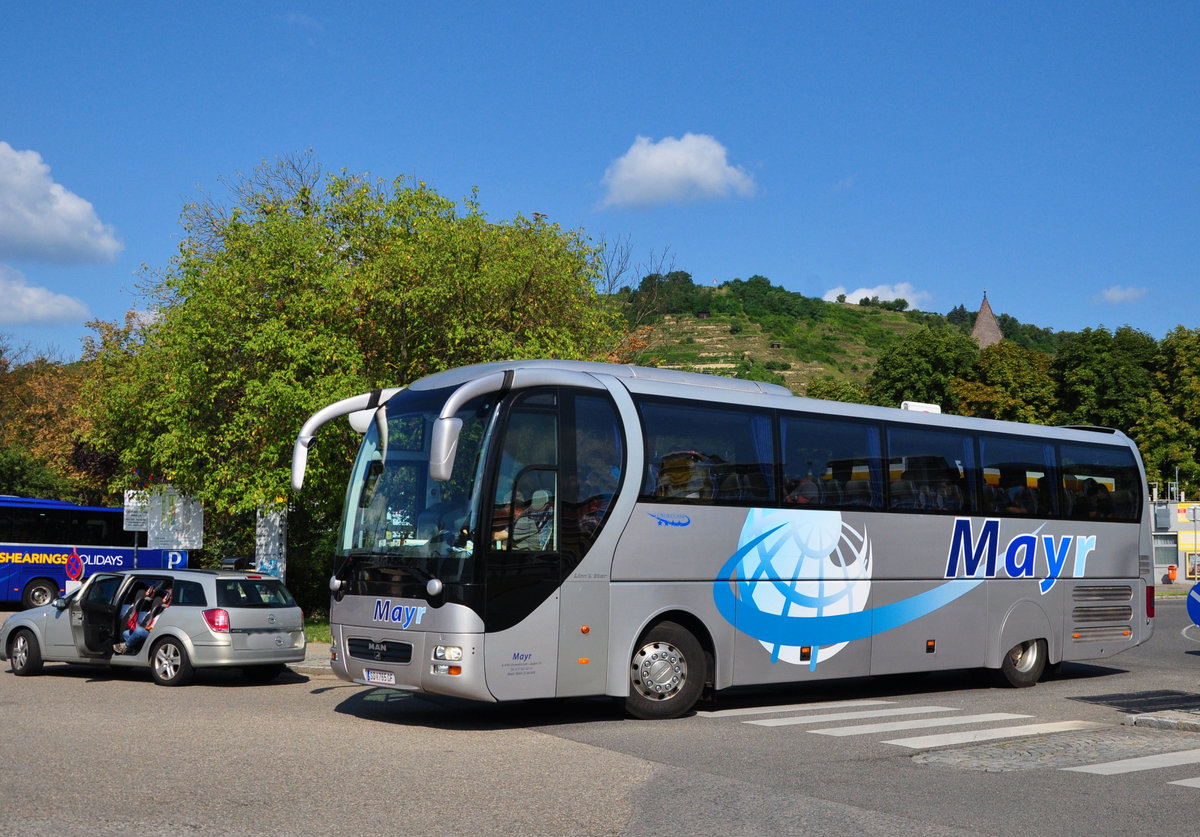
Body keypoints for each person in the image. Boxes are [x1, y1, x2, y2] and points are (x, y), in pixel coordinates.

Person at [113, 584, 171, 655]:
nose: (165, 597)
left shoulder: (169, 611)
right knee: (125, 633)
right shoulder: (161, 609)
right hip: (149, 630)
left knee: (138, 631)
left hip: (155, 633)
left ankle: (125, 646)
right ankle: (133, 650)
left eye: (168, 596)